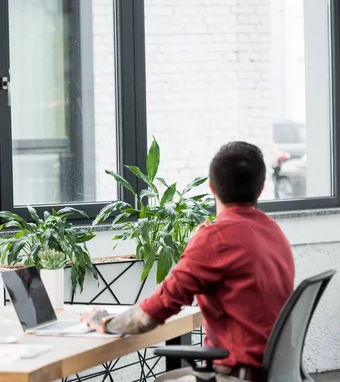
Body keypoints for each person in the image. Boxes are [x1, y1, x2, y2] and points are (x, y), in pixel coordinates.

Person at [81, 141, 295, 382]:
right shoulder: (274, 233)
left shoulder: (216, 239)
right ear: (261, 189)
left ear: (212, 187)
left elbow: (151, 314)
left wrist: (104, 321)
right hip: (272, 374)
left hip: (235, 376)